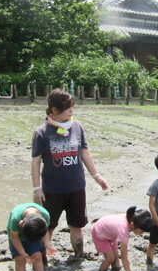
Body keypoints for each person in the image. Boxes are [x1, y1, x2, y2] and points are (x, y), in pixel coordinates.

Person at [31, 88, 108, 259]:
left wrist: (97, 177)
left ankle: (78, 256)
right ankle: (43, 258)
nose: (71, 111)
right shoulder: (41, 133)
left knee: (77, 225)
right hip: (52, 189)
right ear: (55, 110)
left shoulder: (77, 127)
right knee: (48, 226)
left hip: (76, 187)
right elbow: (36, 162)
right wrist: (37, 188)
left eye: (72, 106)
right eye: (67, 107)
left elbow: (84, 153)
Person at [92, 206, 154, 271]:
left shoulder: (130, 219)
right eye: (142, 231)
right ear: (133, 225)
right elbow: (124, 256)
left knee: (116, 265)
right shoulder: (124, 230)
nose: (142, 233)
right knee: (110, 258)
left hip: (109, 234)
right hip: (99, 233)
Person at [7, 203, 56, 271]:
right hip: (17, 237)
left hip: (35, 233)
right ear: (20, 223)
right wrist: (23, 254)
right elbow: (14, 237)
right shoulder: (15, 219)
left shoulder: (45, 215)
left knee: (37, 256)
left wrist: (48, 245)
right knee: (20, 260)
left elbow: (45, 231)